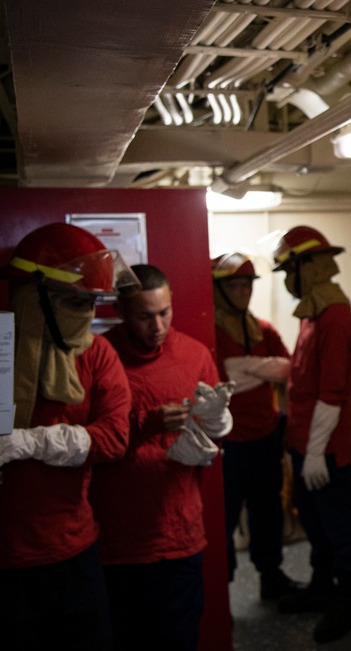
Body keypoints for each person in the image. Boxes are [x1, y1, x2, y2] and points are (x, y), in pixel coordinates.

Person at [0, 222, 137, 651]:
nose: (88, 317)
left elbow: (115, 438)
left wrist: (31, 441)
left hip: (73, 553)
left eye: (92, 304)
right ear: (34, 298)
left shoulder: (96, 354)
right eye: (76, 303)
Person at [91, 264, 234, 651]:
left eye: (164, 313)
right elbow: (92, 443)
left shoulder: (194, 354)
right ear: (119, 312)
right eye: (144, 316)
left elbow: (213, 430)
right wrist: (145, 424)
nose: (157, 326)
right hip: (117, 543)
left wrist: (218, 424)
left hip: (179, 535)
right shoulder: (100, 356)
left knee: (178, 640)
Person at [270, 225, 351, 644]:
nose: (288, 279)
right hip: (303, 442)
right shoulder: (313, 310)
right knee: (315, 522)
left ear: (308, 267)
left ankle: (346, 600)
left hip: (323, 449)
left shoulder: (334, 315)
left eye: (290, 269)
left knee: (340, 524)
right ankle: (322, 587)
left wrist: (314, 453)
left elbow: (332, 392)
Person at [211, 252, 304, 601]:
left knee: (268, 513)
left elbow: (289, 369)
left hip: (265, 436)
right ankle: (222, 592)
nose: (242, 292)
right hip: (227, 443)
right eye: (233, 285)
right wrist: (261, 368)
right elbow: (221, 377)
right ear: (218, 289)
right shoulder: (211, 330)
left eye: (246, 284)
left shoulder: (262, 328)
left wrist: (246, 368)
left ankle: (272, 576)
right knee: (224, 519)